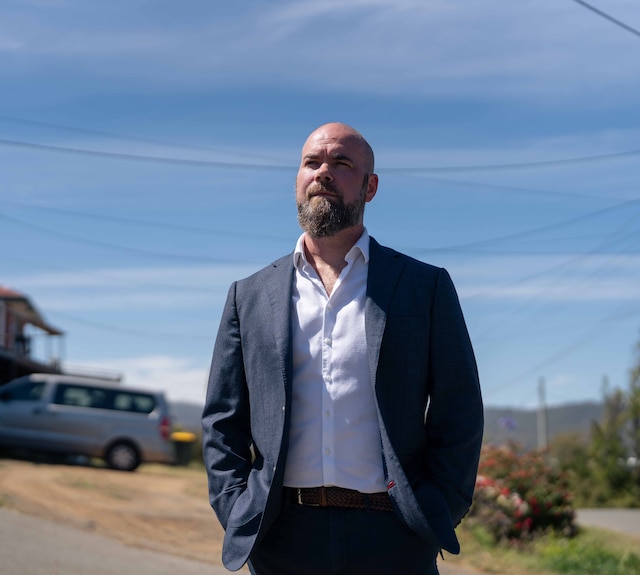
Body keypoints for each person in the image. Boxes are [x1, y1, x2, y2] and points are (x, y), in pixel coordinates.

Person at [202, 122, 484, 575]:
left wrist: (436, 508)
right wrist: (237, 508)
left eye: (341, 163)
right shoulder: (249, 295)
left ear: (370, 187)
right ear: (297, 180)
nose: (323, 173)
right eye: (312, 162)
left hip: (394, 538)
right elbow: (223, 420)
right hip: (282, 538)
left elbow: (460, 409)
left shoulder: (423, 287)